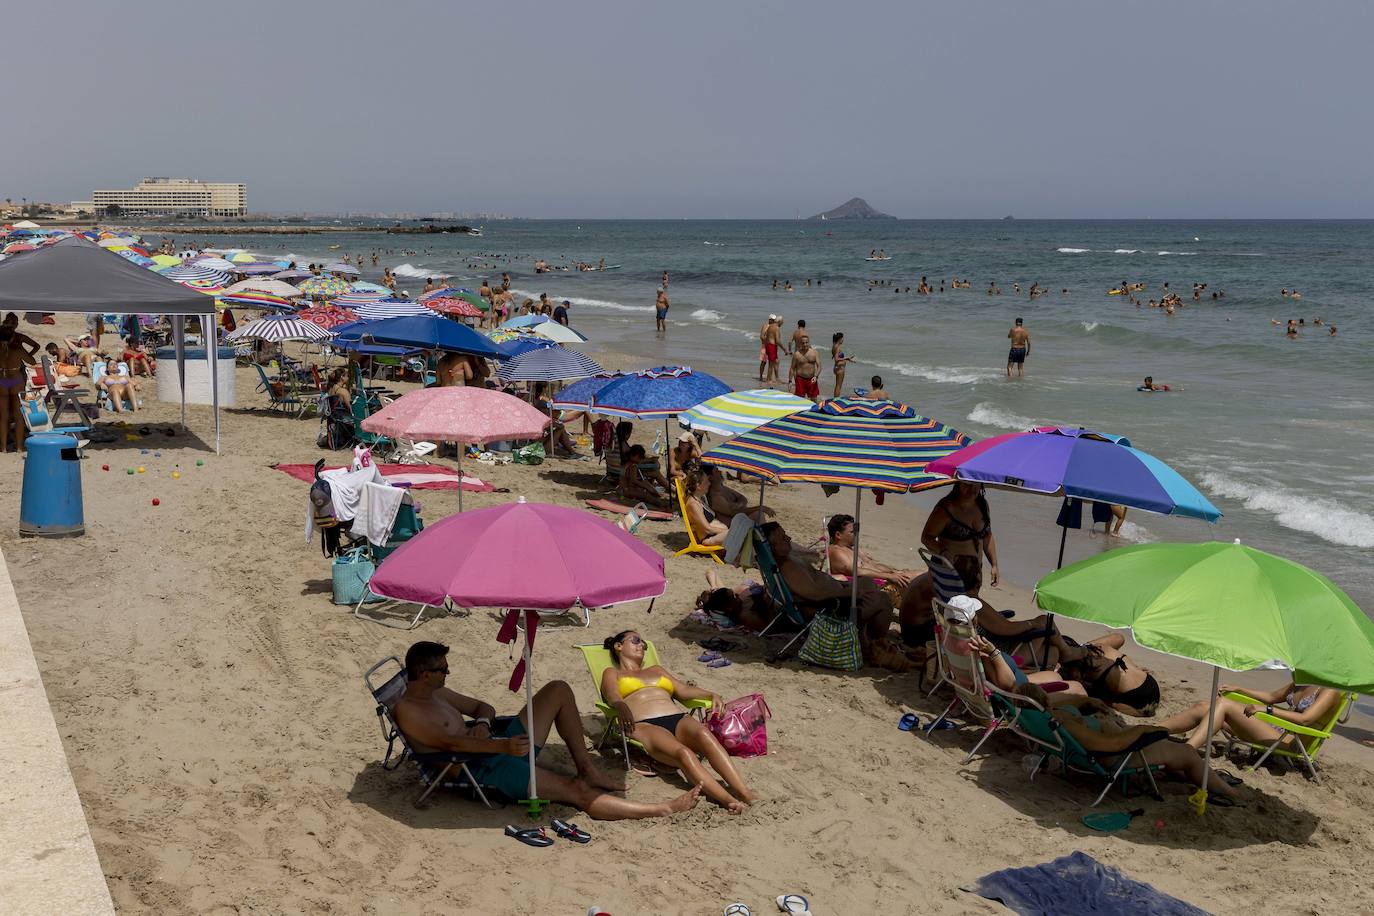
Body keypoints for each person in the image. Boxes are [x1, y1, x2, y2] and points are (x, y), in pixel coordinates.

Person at [393, 641, 700, 820]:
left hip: (490, 745)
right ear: (423, 674)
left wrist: (485, 726)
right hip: (478, 770)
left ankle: (586, 767)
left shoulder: (437, 693)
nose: (449, 673)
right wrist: (503, 748)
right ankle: (660, 808)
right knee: (575, 793)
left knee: (558, 690)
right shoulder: (409, 711)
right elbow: (450, 745)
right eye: (443, 670)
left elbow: (482, 708)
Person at [600, 630, 753, 813]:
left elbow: (682, 690)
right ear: (618, 646)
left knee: (705, 734)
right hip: (644, 724)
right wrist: (621, 705)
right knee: (684, 753)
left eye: (644, 644)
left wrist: (711, 694)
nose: (642, 645)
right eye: (636, 640)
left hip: (676, 718)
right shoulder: (613, 673)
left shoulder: (656, 670)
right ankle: (727, 800)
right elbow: (611, 694)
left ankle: (744, 793)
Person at [761, 521, 894, 642]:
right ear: (772, 547)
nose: (788, 539)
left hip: (832, 595)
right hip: (829, 608)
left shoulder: (784, 560)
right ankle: (876, 641)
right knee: (883, 599)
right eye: (783, 538)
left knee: (867, 582)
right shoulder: (787, 567)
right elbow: (814, 595)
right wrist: (850, 593)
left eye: (786, 535)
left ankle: (865, 635)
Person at [1156, 680, 1343, 752]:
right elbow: (1272, 697)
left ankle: (1187, 750)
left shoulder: (1330, 690)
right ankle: (1154, 731)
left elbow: (1306, 719)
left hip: (1290, 741)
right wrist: (1239, 688)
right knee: (1204, 706)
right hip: (1272, 729)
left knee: (1225, 705)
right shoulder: (1304, 679)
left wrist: (1267, 711)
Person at [922, 482, 999, 587]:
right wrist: (943, 552)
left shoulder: (983, 506)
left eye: (976, 485)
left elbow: (987, 536)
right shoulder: (946, 509)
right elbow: (926, 537)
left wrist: (994, 565)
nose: (972, 489)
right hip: (949, 571)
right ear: (958, 484)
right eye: (967, 484)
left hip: (974, 574)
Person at [825, 514, 916, 590]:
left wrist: (895, 571)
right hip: (876, 586)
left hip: (883, 579)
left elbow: (873, 564)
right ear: (838, 535)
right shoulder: (836, 551)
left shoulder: (852, 549)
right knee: (919, 577)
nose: (856, 535)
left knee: (920, 575)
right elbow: (856, 571)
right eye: (852, 532)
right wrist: (889, 576)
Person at [696, 569, 782, 631]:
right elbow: (769, 627)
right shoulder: (745, 615)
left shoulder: (729, 599)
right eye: (734, 596)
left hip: (771, 591)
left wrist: (714, 586)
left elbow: (710, 571)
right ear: (729, 607)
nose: (736, 595)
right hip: (778, 598)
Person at [0, 325, 36, 453]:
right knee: (18, 416)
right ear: (12, 338)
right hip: (16, 379)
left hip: (2, 380)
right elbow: (32, 361)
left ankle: (3, 448)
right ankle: (19, 447)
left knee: (3, 416)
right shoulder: (17, 349)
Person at [703, 463, 771, 524]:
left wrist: (739, 504)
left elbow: (742, 497)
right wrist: (758, 508)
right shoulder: (715, 497)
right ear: (711, 477)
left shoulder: (722, 488)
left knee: (758, 515)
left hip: (738, 519)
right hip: (732, 527)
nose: (719, 472)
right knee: (757, 515)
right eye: (716, 471)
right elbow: (734, 513)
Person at [683, 470, 729, 548]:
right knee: (741, 533)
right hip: (709, 539)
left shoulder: (701, 499)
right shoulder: (693, 505)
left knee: (743, 524)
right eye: (706, 482)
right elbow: (707, 529)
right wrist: (728, 531)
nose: (709, 484)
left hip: (716, 535)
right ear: (698, 486)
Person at [619, 443, 672, 508]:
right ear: (636, 456)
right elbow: (634, 480)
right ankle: (659, 503)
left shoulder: (625, 463)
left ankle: (660, 496)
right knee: (646, 495)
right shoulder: (633, 466)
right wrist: (645, 486)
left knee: (647, 490)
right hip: (626, 490)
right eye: (640, 458)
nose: (641, 461)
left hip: (622, 489)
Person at [789, 334, 820, 401]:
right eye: (803, 343)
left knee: (813, 399)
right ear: (800, 343)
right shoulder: (797, 354)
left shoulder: (814, 353)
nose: (805, 344)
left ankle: (813, 411)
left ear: (809, 342)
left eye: (806, 342)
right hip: (800, 379)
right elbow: (792, 368)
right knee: (799, 399)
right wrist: (790, 381)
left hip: (812, 379)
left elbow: (819, 366)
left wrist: (816, 376)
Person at [759, 315, 783, 384]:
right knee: (764, 362)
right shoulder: (766, 326)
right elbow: (761, 336)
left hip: (771, 346)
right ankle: (761, 376)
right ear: (769, 319)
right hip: (765, 346)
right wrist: (768, 341)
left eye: (774, 320)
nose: (772, 321)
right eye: (771, 319)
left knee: (775, 361)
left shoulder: (775, 327)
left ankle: (776, 377)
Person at [831, 333, 851, 398]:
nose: (843, 340)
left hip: (837, 367)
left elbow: (836, 357)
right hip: (839, 368)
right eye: (842, 338)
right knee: (838, 386)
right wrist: (846, 358)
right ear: (840, 339)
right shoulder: (837, 347)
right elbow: (836, 359)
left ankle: (836, 399)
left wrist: (846, 360)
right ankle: (836, 400)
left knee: (837, 385)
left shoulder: (834, 346)